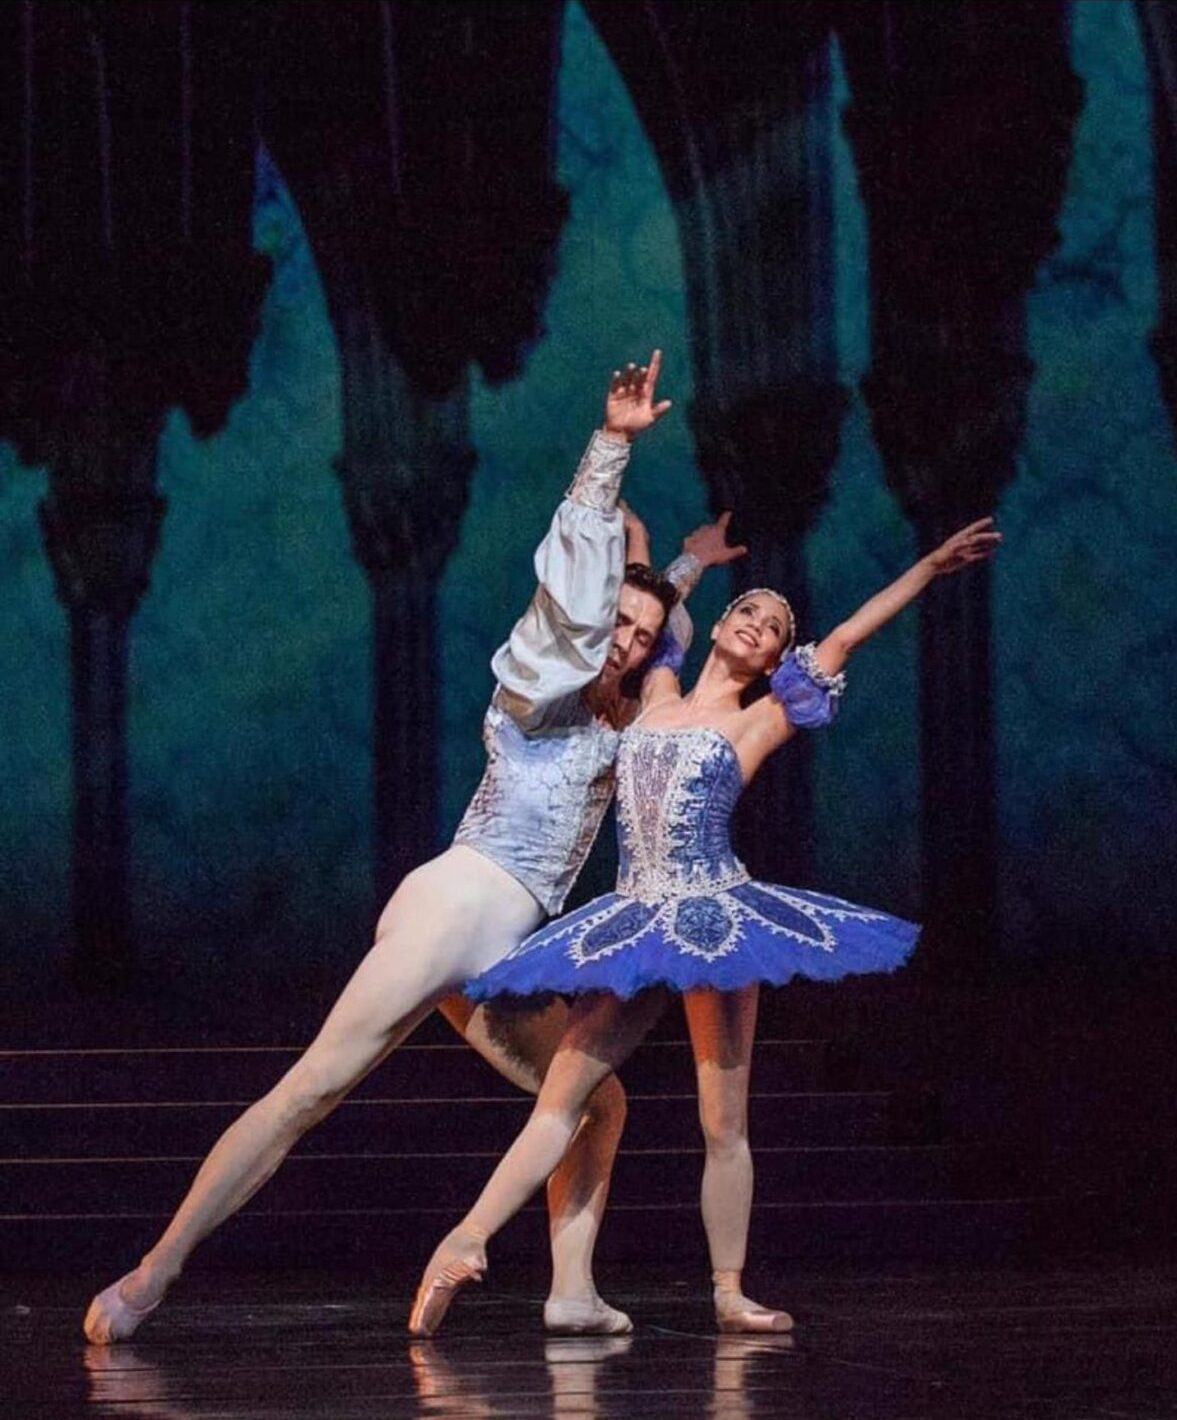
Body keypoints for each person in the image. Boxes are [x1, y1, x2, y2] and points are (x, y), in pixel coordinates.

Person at [83, 351, 744, 1344]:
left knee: (596, 1100)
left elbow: (668, 628)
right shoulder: (541, 676)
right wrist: (610, 443)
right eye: (618, 622)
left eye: (643, 634)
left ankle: (569, 1286)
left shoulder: (629, 717)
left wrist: (685, 568)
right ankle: (150, 1274)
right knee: (314, 1086)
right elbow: (579, 561)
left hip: (508, 949)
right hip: (457, 903)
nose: (627, 639)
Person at [409, 516, 1003, 1337]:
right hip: (633, 913)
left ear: (770, 661)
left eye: (774, 628)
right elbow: (651, 609)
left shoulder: (760, 721)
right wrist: (654, 547)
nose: (759, 624)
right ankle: (465, 1241)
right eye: (748, 611)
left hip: (716, 920)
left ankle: (728, 1288)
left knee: (722, 1120)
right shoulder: (654, 691)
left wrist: (930, 566)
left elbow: (845, 639)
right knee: (563, 1098)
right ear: (719, 626)